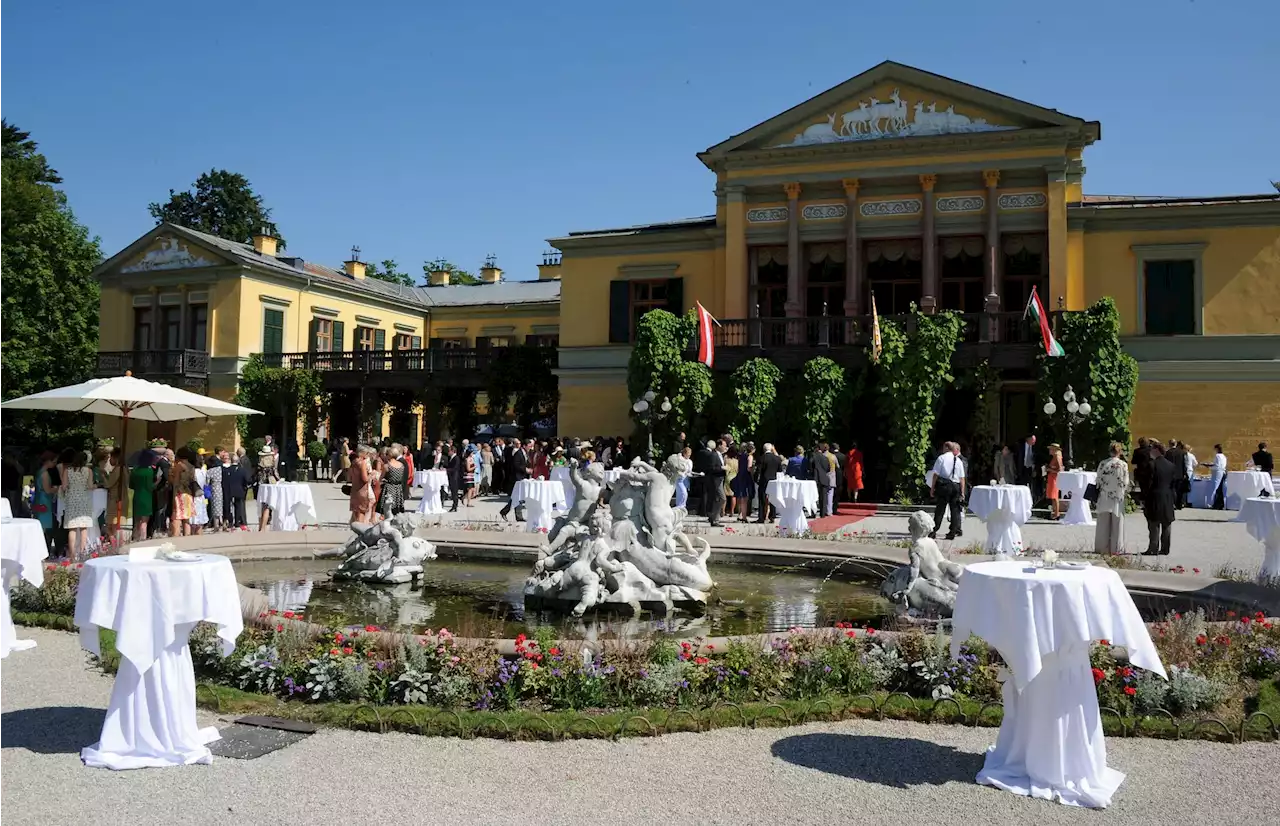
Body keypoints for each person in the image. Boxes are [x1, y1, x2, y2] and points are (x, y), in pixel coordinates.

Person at [1142, 444, 1178, 555]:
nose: (1150, 451)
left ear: (1157, 450)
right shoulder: (1171, 465)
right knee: (1166, 522)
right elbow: (1173, 483)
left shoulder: (1152, 464)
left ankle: (1153, 548)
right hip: (1168, 496)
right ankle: (1165, 548)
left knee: (1154, 523)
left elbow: (1148, 483)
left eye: (1152, 449)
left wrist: (1144, 497)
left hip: (1154, 496)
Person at [1094, 442, 1129, 554]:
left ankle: (1101, 548)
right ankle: (1117, 549)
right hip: (1117, 497)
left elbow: (1098, 480)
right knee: (1118, 524)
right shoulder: (1123, 465)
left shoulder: (1103, 463)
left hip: (1104, 495)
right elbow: (1126, 482)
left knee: (1103, 524)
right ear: (1120, 452)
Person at [60, 449, 94, 560]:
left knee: (72, 528)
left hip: (72, 499)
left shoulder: (67, 471)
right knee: (84, 527)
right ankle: (82, 553)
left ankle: (72, 555)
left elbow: (64, 486)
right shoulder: (88, 471)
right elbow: (89, 486)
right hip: (84, 499)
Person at [928, 441, 965, 540]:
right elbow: (962, 478)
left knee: (940, 509)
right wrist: (962, 491)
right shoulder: (958, 460)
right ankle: (952, 532)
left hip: (944, 485)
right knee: (955, 510)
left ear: (946, 448)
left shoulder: (941, 458)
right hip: (956, 486)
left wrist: (932, 488)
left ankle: (934, 530)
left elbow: (935, 474)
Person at [32, 452, 59, 553]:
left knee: (39, 526)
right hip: (45, 502)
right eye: (54, 461)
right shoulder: (45, 474)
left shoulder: (39, 472)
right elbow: (47, 490)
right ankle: (39, 551)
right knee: (42, 528)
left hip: (38, 500)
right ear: (48, 461)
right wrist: (56, 489)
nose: (55, 464)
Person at [500, 440, 529, 522]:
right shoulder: (517, 453)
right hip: (517, 478)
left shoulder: (523, 453)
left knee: (516, 497)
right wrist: (525, 469)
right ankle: (516, 515)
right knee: (518, 497)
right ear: (524, 445)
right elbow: (516, 465)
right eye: (529, 446)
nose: (530, 448)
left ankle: (505, 512)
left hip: (521, 477)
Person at [169, 448, 196, 537]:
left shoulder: (178, 466)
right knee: (186, 518)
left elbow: (175, 481)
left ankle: (176, 537)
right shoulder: (191, 466)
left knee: (176, 517)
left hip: (179, 493)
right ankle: (186, 537)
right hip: (188, 493)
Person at [755, 443, 783, 523]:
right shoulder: (777, 459)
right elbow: (780, 470)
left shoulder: (761, 458)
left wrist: (756, 479)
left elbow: (758, 471)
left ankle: (762, 517)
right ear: (771, 449)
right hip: (773, 480)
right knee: (773, 499)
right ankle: (772, 516)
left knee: (762, 499)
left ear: (764, 449)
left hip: (764, 480)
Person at [255, 446, 280, 531]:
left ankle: (260, 526)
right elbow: (275, 475)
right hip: (270, 486)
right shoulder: (271, 463)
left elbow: (256, 475)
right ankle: (263, 527)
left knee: (261, 506)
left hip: (261, 486)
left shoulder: (260, 464)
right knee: (267, 507)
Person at [379, 445, 407, 519]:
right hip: (398, 488)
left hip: (389, 487)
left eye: (387, 454)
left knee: (387, 507)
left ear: (390, 455)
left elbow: (380, 478)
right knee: (397, 508)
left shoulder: (387, 466)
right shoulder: (401, 465)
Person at [348, 446, 373, 523]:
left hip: (354, 490)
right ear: (362, 453)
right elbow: (365, 479)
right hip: (362, 490)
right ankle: (360, 532)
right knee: (361, 513)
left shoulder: (353, 462)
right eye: (367, 453)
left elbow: (349, 478)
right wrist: (371, 475)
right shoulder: (362, 463)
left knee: (356, 513)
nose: (368, 454)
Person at [706, 440, 727, 527]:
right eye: (724, 445)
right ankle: (715, 518)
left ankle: (713, 517)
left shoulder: (720, 455)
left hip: (720, 479)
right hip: (716, 479)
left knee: (717, 499)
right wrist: (722, 468)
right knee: (722, 498)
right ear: (719, 446)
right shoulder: (714, 455)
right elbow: (711, 468)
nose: (725, 447)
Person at [733, 442, 755, 522]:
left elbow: (739, 467)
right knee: (745, 498)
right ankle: (744, 516)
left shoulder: (740, 456)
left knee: (740, 496)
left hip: (740, 476)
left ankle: (740, 514)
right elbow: (749, 468)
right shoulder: (749, 456)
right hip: (746, 477)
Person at [1202, 444, 1228, 509]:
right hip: (1222, 472)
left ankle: (1210, 503)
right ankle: (1218, 503)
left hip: (1217, 472)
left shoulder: (1217, 456)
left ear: (1217, 449)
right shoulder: (1224, 456)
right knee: (1219, 488)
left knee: (1213, 487)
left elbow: (1217, 466)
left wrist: (1208, 465)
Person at [1165, 440, 1187, 511]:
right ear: (1176, 444)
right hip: (1179, 473)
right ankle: (1179, 504)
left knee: (1172, 489)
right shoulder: (1181, 452)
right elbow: (1184, 464)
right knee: (1179, 490)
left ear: (1169, 444)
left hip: (1171, 473)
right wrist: (1184, 473)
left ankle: (1173, 503)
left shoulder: (1168, 453)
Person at [1045, 443, 1064, 520]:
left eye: (1051, 449)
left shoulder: (1057, 457)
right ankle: (1054, 513)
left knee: (1055, 496)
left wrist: (1050, 470)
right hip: (1052, 477)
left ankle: (1057, 513)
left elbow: (1060, 470)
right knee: (1053, 496)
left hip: (1054, 478)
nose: (1049, 450)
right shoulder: (1054, 457)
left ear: (1054, 450)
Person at [723, 446, 739, 521]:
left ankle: (722, 511)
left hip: (728, 477)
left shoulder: (726, 459)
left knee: (725, 495)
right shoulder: (737, 461)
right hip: (735, 477)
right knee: (733, 496)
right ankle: (732, 511)